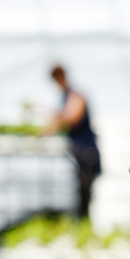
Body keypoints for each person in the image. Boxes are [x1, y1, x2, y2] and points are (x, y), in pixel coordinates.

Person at [46, 64, 101, 218]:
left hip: (87, 151)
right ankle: (82, 222)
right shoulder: (66, 96)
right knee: (81, 193)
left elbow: (72, 118)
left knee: (87, 193)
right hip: (79, 151)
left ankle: (85, 224)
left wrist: (56, 120)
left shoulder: (76, 96)